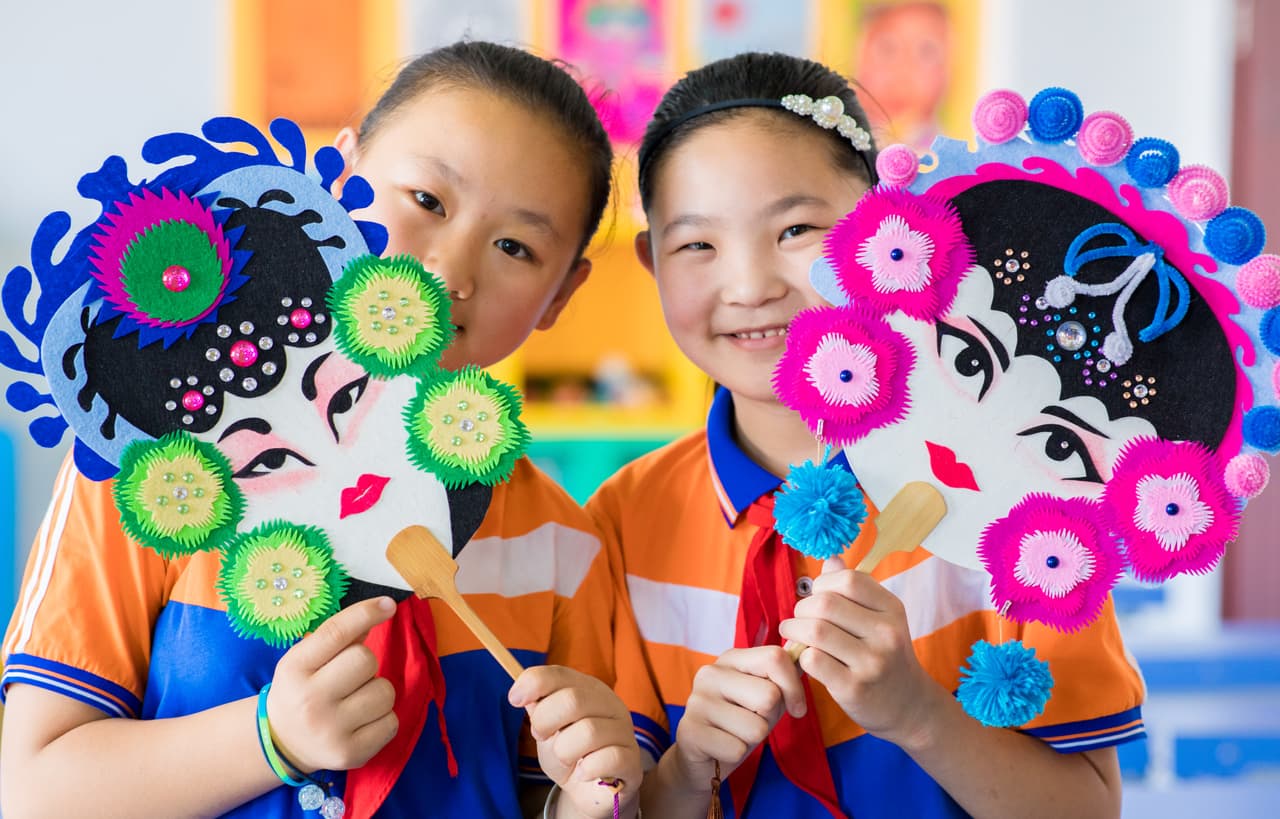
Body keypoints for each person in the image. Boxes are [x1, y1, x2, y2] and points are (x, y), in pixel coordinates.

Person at [1, 41, 641, 819]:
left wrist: (592, 793)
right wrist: (271, 737)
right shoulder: (154, 477)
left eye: (516, 246)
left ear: (561, 294)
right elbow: (31, 789)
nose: (448, 271)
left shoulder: (561, 544)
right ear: (337, 177)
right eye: (428, 202)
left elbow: (554, 796)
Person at [590, 53, 1142, 818]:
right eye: (697, 246)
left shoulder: (1023, 502)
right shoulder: (624, 519)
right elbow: (616, 801)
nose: (749, 286)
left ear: (886, 227)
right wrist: (684, 769)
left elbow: (1088, 808)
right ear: (652, 264)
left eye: (796, 229)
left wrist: (919, 713)